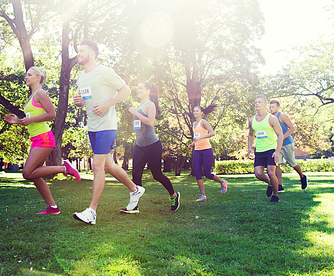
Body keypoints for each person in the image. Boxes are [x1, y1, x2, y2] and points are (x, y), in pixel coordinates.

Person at [72, 39, 144, 225]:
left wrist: (106, 105)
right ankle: (135, 189)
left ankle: (91, 212)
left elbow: (126, 91)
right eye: (78, 51)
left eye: (82, 50)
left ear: (92, 53)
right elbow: (85, 100)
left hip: (107, 125)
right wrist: (79, 102)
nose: (78, 53)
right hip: (93, 126)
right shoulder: (81, 77)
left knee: (97, 165)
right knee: (107, 166)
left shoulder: (104, 72)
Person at [4, 66, 80, 215]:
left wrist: (28, 119)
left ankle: (64, 168)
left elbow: (51, 114)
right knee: (35, 174)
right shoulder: (32, 96)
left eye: (29, 75)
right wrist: (18, 121)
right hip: (36, 139)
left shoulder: (41, 93)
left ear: (38, 78)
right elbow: (30, 121)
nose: (26, 77)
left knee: (27, 173)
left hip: (44, 137)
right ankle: (53, 208)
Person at [127, 82, 180, 212]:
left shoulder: (150, 104)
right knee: (136, 174)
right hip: (140, 146)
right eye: (137, 87)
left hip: (152, 146)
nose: (138, 90)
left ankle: (174, 195)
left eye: (140, 88)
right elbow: (151, 121)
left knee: (157, 175)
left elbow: (150, 122)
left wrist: (135, 113)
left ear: (148, 90)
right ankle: (134, 205)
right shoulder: (141, 105)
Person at [247, 95, 283, 202]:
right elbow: (250, 134)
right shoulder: (252, 120)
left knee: (272, 173)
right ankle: (271, 183)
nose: (257, 104)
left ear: (265, 105)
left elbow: (280, 134)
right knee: (258, 174)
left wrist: (277, 151)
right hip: (259, 150)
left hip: (271, 149)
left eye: (260, 102)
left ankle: (275, 195)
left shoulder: (272, 119)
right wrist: (249, 147)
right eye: (256, 102)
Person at [189, 105, 228, 202]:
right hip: (197, 150)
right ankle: (203, 196)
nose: (195, 112)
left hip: (206, 150)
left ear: (202, 112)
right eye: (194, 111)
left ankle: (223, 182)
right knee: (197, 173)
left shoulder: (204, 122)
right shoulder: (194, 124)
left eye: (197, 111)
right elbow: (196, 136)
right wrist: (192, 143)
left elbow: (212, 133)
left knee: (207, 173)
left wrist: (199, 138)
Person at [269, 100, 308, 191]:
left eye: (273, 107)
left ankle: (302, 176)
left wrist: (282, 137)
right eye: (270, 107)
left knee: (292, 163)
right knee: (277, 164)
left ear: (278, 107)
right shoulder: (269, 118)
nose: (271, 109)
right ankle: (279, 185)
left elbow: (292, 128)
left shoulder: (282, 116)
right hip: (277, 144)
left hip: (287, 144)